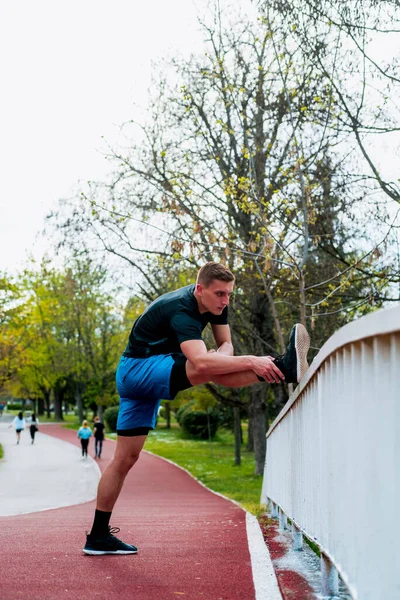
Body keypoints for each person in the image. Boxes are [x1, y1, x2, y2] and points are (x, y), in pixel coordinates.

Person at [83, 262, 310, 555]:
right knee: (203, 366)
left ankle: (97, 536)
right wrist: (252, 360)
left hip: (149, 372)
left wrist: (222, 358)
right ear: (200, 289)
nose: (225, 300)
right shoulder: (183, 310)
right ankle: (281, 366)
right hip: (136, 371)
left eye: (229, 294)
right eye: (219, 294)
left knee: (124, 459)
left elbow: (225, 344)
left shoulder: (216, 304)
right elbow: (203, 364)